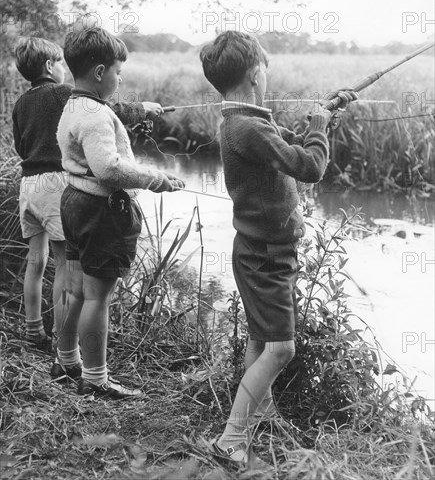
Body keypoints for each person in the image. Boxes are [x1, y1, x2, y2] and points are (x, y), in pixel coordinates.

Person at [200, 30, 357, 465]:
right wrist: (319, 131)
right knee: (281, 348)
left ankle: (261, 412)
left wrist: (323, 116)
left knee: (261, 338)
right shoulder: (246, 126)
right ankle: (231, 439)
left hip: (264, 251)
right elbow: (309, 166)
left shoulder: (245, 119)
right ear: (255, 75)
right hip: (265, 256)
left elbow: (288, 144)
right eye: (265, 71)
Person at [12, 36, 166, 375]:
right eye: (118, 71)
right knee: (81, 283)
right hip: (75, 193)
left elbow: (22, 142)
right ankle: (79, 361)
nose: (120, 78)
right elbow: (107, 143)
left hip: (38, 187)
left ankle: (47, 340)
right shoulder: (72, 99)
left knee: (45, 268)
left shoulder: (30, 103)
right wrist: (145, 113)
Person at [56, 27, 185, 399]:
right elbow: (109, 168)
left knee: (76, 290)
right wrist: (155, 178)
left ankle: (67, 360)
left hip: (75, 203)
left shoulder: (73, 105)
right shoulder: (96, 115)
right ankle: (95, 379)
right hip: (100, 211)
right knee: (98, 297)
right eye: (118, 72)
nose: (120, 78)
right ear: (100, 73)